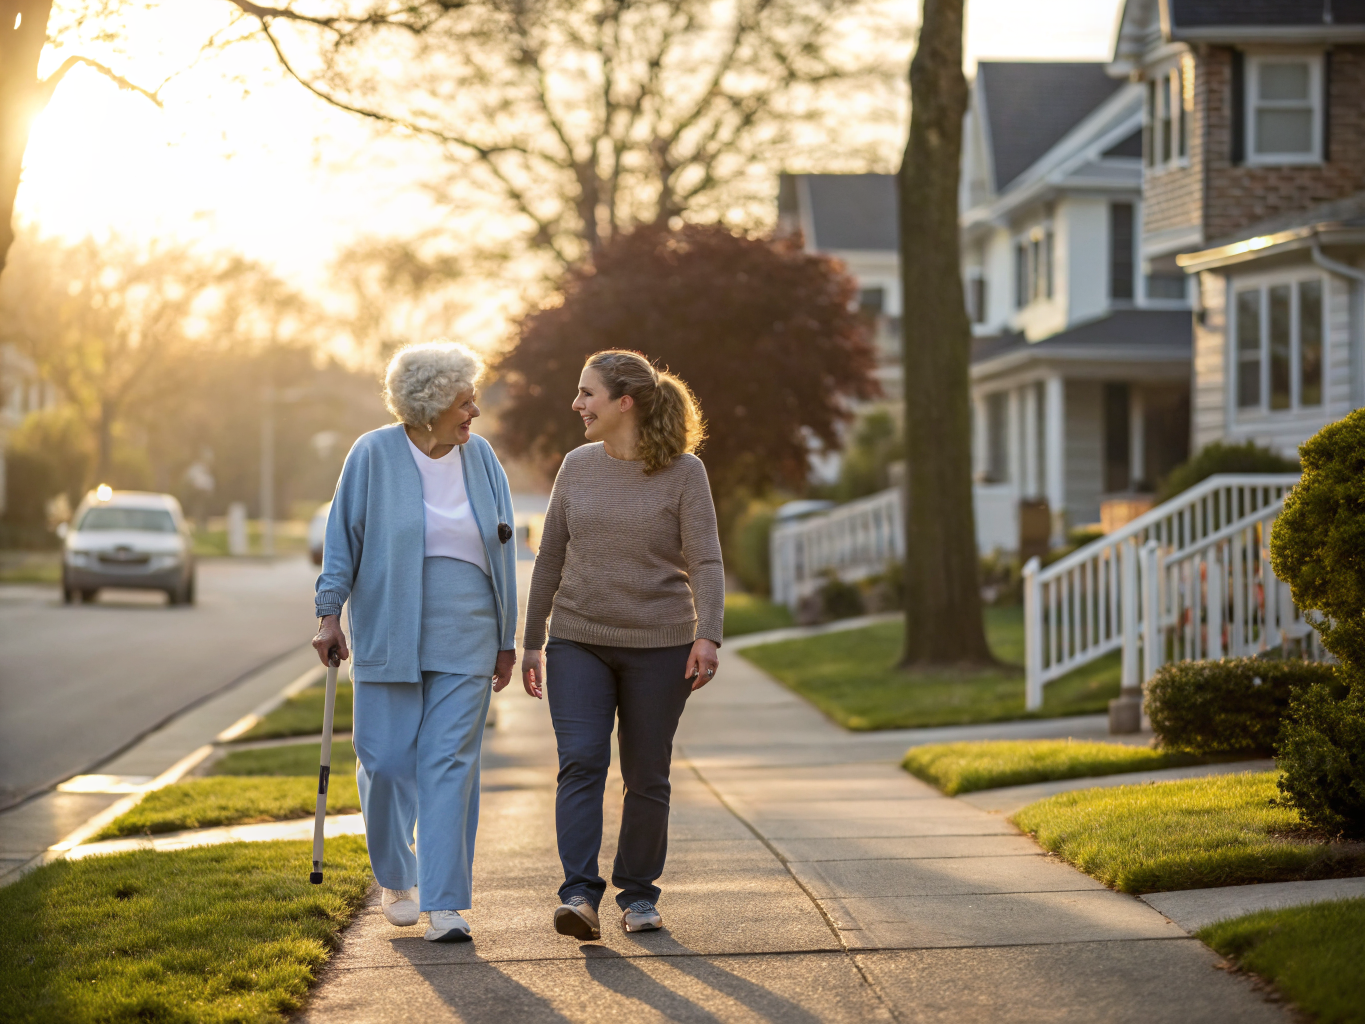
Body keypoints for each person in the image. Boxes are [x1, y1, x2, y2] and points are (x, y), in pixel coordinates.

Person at [312, 340, 518, 943]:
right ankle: (397, 877)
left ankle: (446, 903)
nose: (474, 411)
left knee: (449, 763)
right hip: (389, 627)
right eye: (464, 401)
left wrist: (507, 637)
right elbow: (342, 541)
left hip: (469, 629)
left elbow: (503, 549)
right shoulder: (372, 454)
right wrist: (329, 615)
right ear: (430, 405)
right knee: (385, 762)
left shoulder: (481, 458)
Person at [521, 349, 723, 940]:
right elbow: (549, 556)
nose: (577, 404)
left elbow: (705, 560)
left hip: (660, 645)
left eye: (588, 393)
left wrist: (708, 634)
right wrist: (532, 640)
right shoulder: (577, 466)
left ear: (624, 402)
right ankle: (579, 895)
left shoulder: (685, 473)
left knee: (646, 774)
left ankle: (638, 894)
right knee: (582, 760)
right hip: (578, 639)